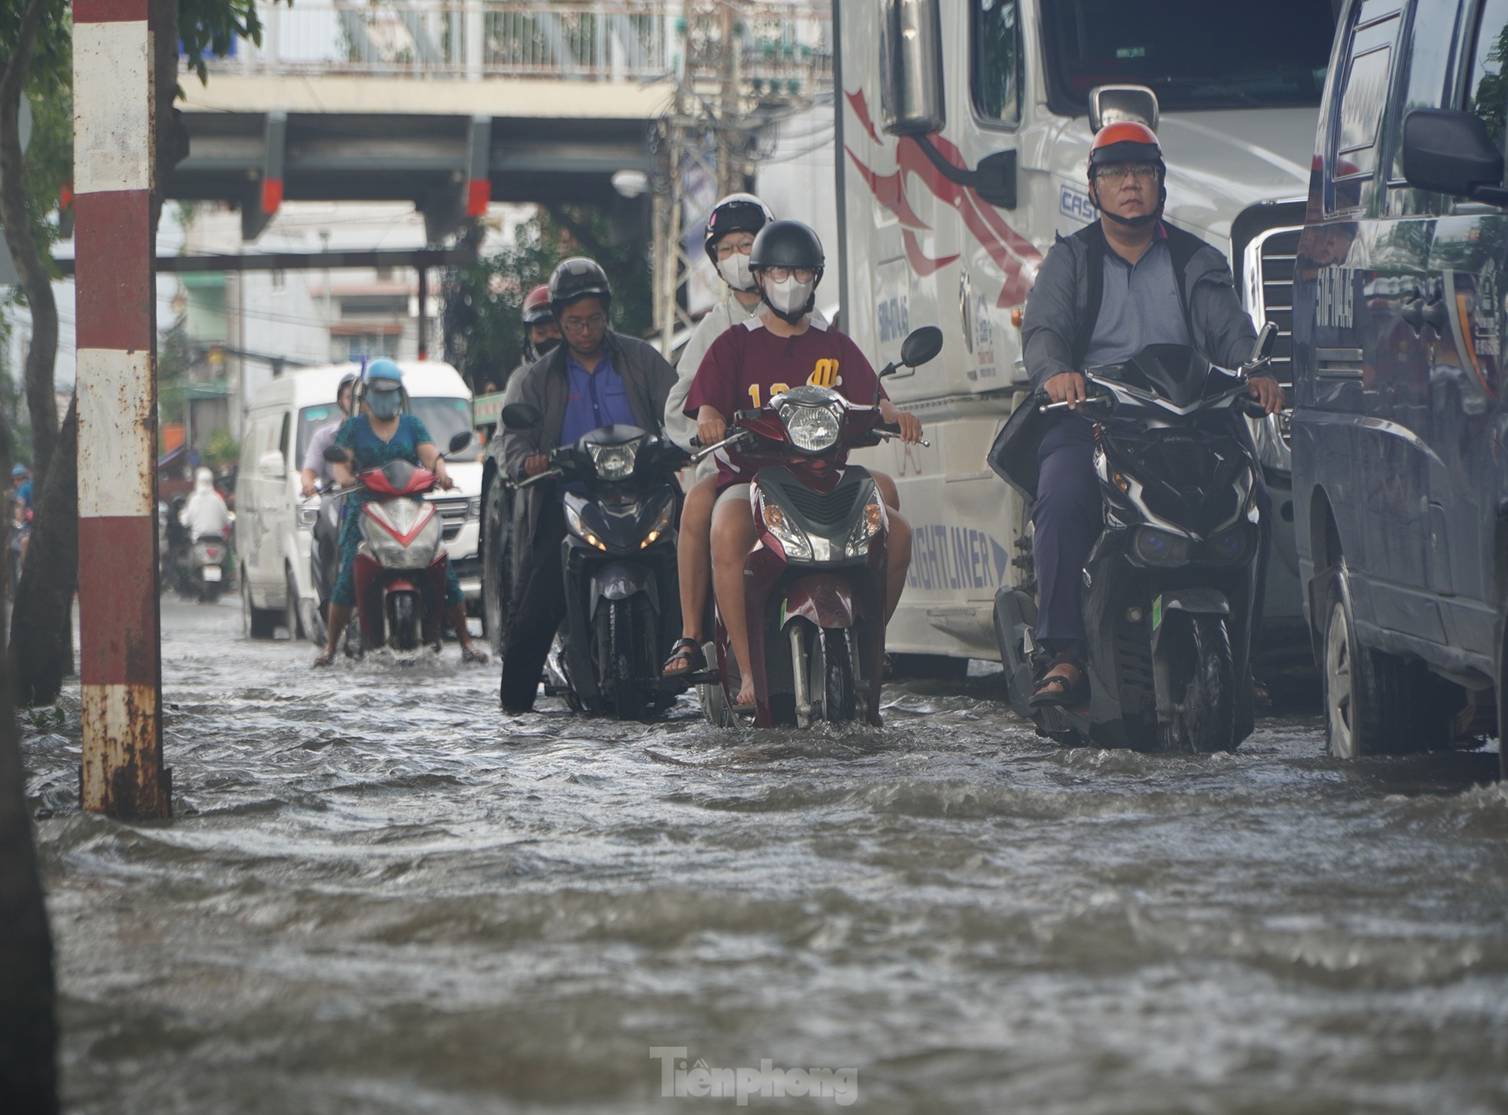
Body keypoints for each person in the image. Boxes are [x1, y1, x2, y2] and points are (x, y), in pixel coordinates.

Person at [1020, 120, 1284, 707]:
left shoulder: (1197, 259)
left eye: (1143, 171)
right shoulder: (1070, 261)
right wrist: (1056, 372)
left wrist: (1254, 372)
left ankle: (1245, 657)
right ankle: (1062, 653)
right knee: (1062, 495)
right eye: (1115, 173)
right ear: (1093, 189)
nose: (1130, 184)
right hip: (1095, 418)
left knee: (1255, 501)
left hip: (1188, 420)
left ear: (1162, 184)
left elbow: (1231, 333)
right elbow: (1043, 333)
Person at [681, 220, 923, 710]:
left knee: (897, 533)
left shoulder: (833, 343)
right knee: (725, 527)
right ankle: (748, 671)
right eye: (777, 272)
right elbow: (706, 405)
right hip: (755, 482)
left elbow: (875, 401)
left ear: (815, 279)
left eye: (800, 273)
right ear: (759, 277)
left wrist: (896, 417)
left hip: (826, 482)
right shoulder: (733, 344)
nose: (788, 283)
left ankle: (869, 647)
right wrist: (709, 418)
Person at [497, 257, 678, 712]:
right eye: (574, 321)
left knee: (704, 564)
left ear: (607, 314)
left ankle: (727, 676)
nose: (584, 330)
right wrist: (525, 460)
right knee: (533, 611)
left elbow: (680, 407)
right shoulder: (536, 379)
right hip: (569, 497)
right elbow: (511, 442)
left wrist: (689, 436)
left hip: (646, 490)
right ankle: (514, 712)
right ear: (557, 320)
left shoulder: (640, 358)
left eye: (594, 319)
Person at [662, 193, 808, 680]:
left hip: (805, 466)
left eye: (747, 244)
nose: (738, 257)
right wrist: (708, 430)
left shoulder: (811, 320)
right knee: (697, 508)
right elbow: (680, 407)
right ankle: (689, 633)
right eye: (726, 249)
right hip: (733, 468)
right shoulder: (713, 332)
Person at [314, 359, 488, 666]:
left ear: (400, 393)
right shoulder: (354, 428)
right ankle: (330, 647)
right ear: (366, 393)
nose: (386, 398)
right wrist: (345, 477)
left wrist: (442, 472)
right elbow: (341, 461)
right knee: (346, 580)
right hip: (366, 509)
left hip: (412, 508)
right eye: (380, 392)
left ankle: (465, 642)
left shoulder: (412, 425)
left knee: (443, 569)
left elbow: (431, 455)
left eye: (392, 392)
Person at [300, 372, 360, 624]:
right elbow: (310, 471)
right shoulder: (326, 436)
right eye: (350, 397)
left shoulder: (378, 432)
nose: (355, 401)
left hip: (375, 499)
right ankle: (328, 597)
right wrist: (308, 484)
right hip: (339, 499)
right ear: (340, 400)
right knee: (326, 516)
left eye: (360, 397)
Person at [505, 283, 562, 391]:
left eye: (556, 330)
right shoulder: (522, 382)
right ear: (530, 336)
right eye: (541, 332)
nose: (549, 337)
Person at [179, 467, 231, 540]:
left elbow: (185, 521)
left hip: (198, 539)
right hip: (218, 540)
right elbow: (226, 519)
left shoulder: (193, 498)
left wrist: (182, 515)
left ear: (197, 481)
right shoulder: (217, 498)